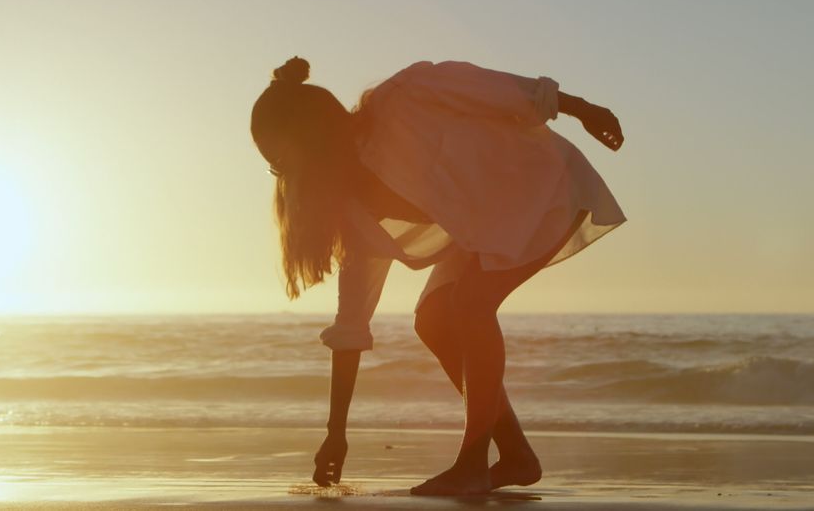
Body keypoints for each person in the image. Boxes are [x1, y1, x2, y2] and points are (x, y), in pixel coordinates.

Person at [249, 57, 625, 495]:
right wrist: (336, 433)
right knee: (432, 319)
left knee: (469, 303)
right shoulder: (354, 212)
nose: (287, 180)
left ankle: (472, 463)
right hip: (486, 226)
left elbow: (499, 90)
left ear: (312, 136)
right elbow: (351, 324)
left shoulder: (404, 98)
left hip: (541, 183)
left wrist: (584, 110)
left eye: (282, 163)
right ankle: (516, 456)